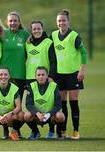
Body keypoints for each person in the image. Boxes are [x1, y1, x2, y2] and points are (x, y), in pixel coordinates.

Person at [50, 9, 87, 139]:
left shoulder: (74, 36)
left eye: (63, 20)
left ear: (68, 21)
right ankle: (63, 130)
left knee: (73, 103)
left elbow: (83, 53)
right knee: (62, 104)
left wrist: (82, 70)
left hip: (73, 74)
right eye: (59, 21)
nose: (61, 23)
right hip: (59, 75)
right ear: (56, 22)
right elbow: (45, 44)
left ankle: (76, 130)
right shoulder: (53, 35)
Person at [0, 11, 30, 138]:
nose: (12, 23)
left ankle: (16, 131)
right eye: (10, 21)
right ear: (7, 22)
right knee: (5, 105)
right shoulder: (2, 34)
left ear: (19, 22)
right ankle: (5, 132)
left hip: (20, 75)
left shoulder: (25, 34)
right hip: (5, 76)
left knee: (17, 106)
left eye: (15, 20)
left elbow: (32, 50)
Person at [26, 21, 57, 138]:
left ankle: (51, 130)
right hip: (30, 78)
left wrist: (51, 77)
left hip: (45, 78)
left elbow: (53, 62)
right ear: (31, 30)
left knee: (49, 102)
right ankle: (35, 131)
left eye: (38, 28)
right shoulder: (28, 43)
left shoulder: (49, 42)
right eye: (34, 29)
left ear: (42, 29)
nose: (36, 31)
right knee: (33, 105)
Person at [24, 66, 65, 140]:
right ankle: (35, 132)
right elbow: (28, 104)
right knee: (27, 115)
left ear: (47, 76)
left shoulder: (54, 86)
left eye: (43, 75)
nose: (41, 77)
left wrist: (48, 114)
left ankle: (58, 133)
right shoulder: (32, 86)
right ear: (35, 76)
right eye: (38, 75)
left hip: (50, 116)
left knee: (60, 116)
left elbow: (58, 105)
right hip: (37, 116)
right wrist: (37, 113)